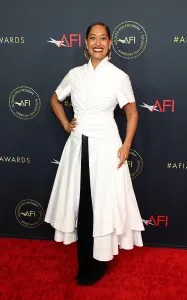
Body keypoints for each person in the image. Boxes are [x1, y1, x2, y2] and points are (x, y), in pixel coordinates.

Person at [45, 22, 144, 285]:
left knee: (102, 204)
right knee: (82, 203)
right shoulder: (75, 74)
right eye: (92, 38)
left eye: (103, 38)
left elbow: (132, 113)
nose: (97, 43)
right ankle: (85, 262)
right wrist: (66, 124)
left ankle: (99, 261)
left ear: (110, 43)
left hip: (106, 146)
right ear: (86, 44)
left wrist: (126, 145)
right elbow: (55, 98)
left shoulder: (119, 77)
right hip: (78, 146)